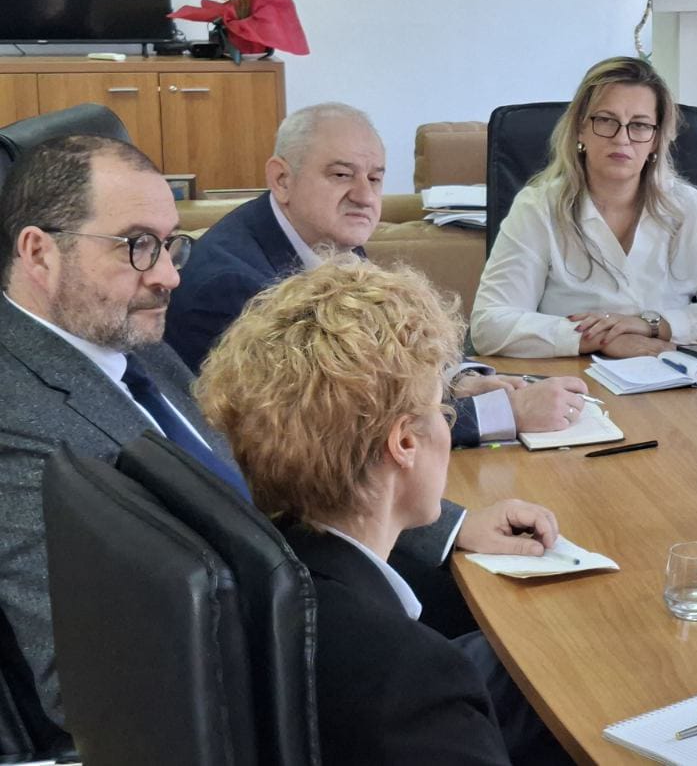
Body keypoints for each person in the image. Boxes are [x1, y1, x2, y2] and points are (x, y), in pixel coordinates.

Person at [0, 135, 558, 731]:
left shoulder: (121, 333)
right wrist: (361, 657)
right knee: (542, 679)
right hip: (270, 684)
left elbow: (263, 466)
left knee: (541, 620)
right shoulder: (19, 422)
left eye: (169, 245)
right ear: (39, 253)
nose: (167, 276)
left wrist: (450, 529)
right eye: (136, 245)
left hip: (312, 582)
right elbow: (88, 683)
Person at [196, 256, 539, 764]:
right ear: (404, 443)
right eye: (441, 409)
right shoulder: (415, 680)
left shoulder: (260, 579)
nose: (446, 427)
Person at [165, 102, 588, 442]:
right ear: (281, 179)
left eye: (375, 178)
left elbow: (385, 347)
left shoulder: (324, 234)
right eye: (341, 175)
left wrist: (455, 379)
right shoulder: (233, 286)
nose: (365, 196)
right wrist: (503, 414)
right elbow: (331, 426)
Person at [471, 57, 697, 358]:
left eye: (640, 125)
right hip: (571, 376)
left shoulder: (690, 208)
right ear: (580, 129)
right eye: (606, 121)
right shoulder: (538, 208)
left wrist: (649, 324)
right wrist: (599, 339)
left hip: (667, 372)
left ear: (655, 140)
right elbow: (488, 325)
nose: (622, 139)